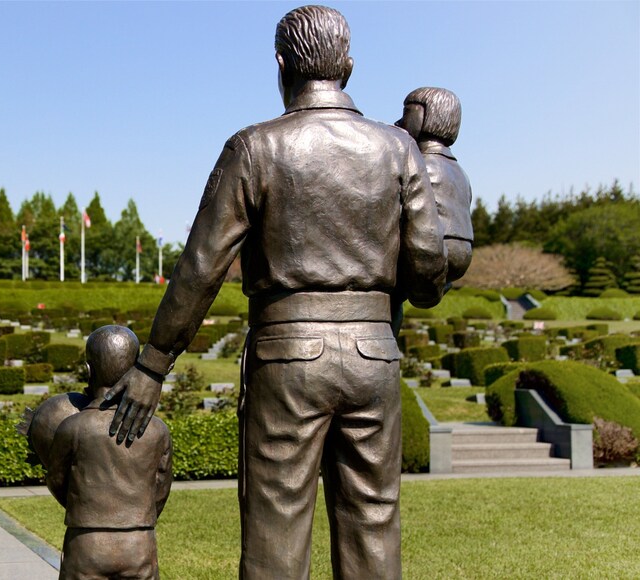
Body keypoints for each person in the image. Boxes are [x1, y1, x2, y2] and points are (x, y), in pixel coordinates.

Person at [104, 5, 446, 578]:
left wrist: (154, 362)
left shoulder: (253, 148)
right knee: (374, 520)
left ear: (281, 64)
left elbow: (201, 267)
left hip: (287, 357)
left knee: (276, 527)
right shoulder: (399, 149)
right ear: (349, 67)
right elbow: (429, 271)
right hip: (374, 355)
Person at [44, 325, 173, 580]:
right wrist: (138, 517)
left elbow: (57, 481)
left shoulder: (71, 428)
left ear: (88, 370)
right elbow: (160, 489)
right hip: (139, 544)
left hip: (86, 544)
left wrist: (84, 506)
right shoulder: (157, 430)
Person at [396, 86, 473, 282]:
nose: (398, 122)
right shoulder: (460, 172)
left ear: (425, 118)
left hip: (432, 249)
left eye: (406, 114)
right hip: (463, 252)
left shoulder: (419, 165)